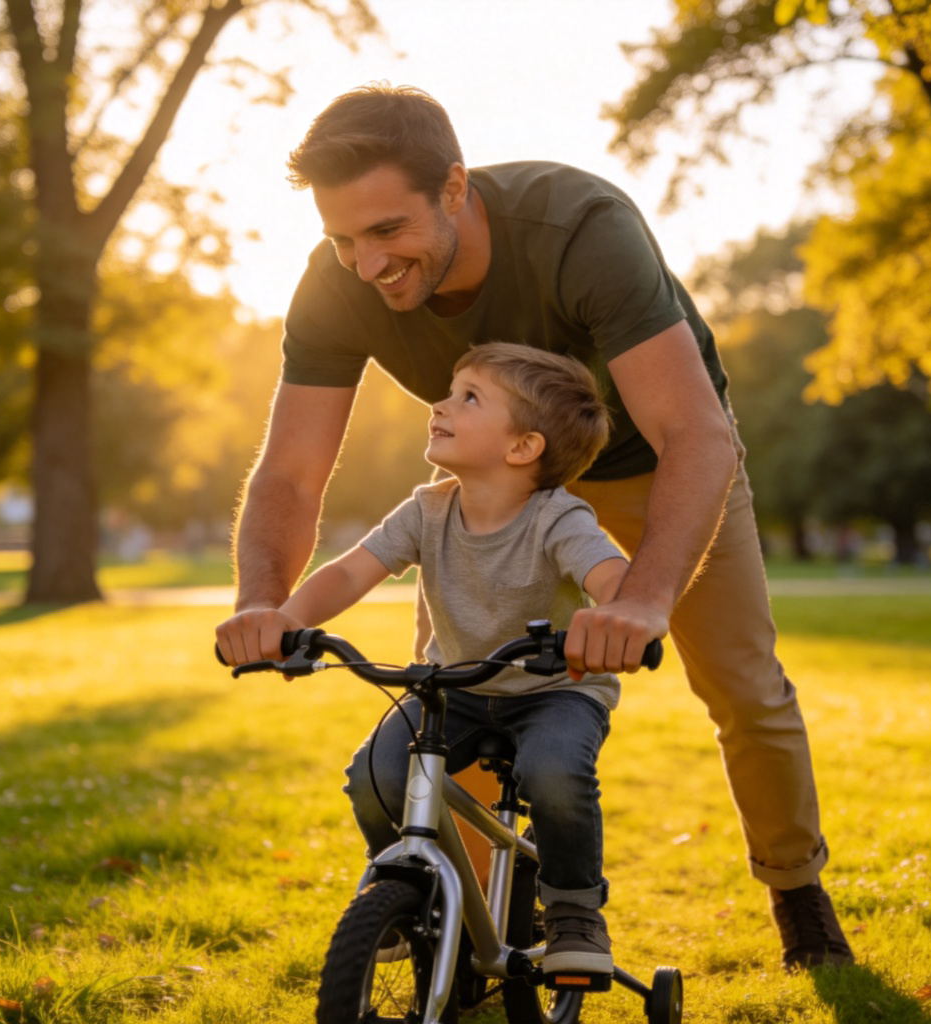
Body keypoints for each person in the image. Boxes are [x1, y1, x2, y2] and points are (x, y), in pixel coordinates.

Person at [215, 83, 854, 971]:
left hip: (656, 466)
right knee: (457, 704)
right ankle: (466, 933)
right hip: (493, 495)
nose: (366, 265)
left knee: (744, 686)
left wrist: (643, 600)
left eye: (388, 232)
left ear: (453, 188)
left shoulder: (578, 229)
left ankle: (797, 891)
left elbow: (696, 435)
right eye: (342, 239)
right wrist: (263, 603)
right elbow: (290, 469)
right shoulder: (339, 283)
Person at [268, 342, 629, 973]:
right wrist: (286, 622)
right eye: (451, 389)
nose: (440, 403)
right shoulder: (427, 509)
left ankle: (573, 909)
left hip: (555, 691)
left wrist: (615, 616)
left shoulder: (558, 518)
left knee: (553, 774)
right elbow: (352, 572)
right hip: (456, 686)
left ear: (523, 448)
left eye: (469, 397)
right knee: (376, 777)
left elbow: (613, 577)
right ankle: (406, 890)